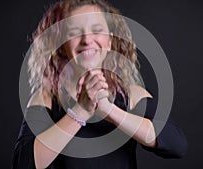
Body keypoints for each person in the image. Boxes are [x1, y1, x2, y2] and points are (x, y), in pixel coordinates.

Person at [12, 0, 187, 168]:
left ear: (110, 41)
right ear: (62, 45)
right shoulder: (47, 99)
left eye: (97, 30)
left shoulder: (131, 95)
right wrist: (81, 110)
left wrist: (108, 110)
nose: (87, 40)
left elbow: (176, 145)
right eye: (74, 33)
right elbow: (23, 164)